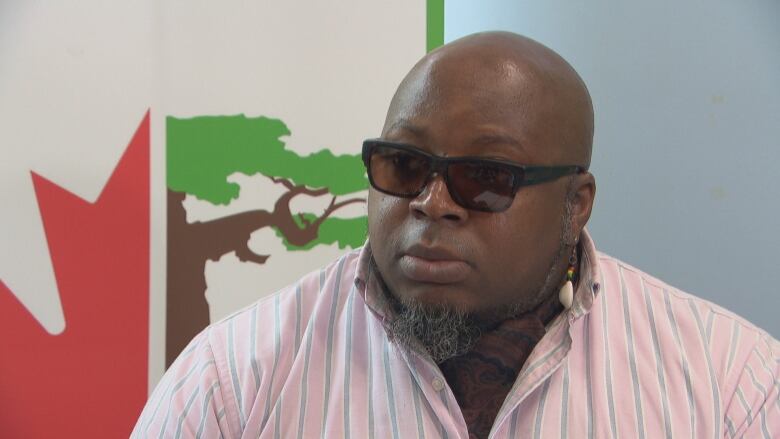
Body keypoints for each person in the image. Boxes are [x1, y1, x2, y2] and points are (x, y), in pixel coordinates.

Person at [132, 31, 778, 438]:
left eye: (486, 177)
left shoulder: (731, 384)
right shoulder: (232, 381)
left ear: (575, 204)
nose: (432, 203)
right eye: (405, 165)